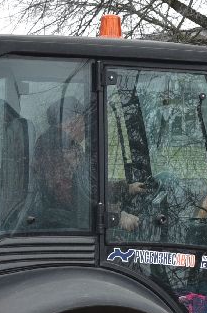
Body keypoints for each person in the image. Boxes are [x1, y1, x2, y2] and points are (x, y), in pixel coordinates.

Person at [29, 97, 140, 233]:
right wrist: (114, 216)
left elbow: (88, 186)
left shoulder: (71, 147)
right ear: (71, 121)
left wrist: (125, 188)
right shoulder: (52, 148)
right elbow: (67, 195)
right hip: (63, 225)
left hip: (72, 219)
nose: (85, 127)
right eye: (83, 121)